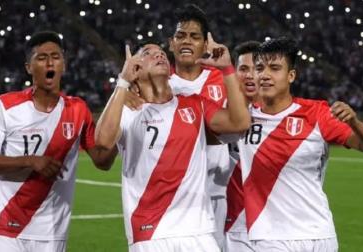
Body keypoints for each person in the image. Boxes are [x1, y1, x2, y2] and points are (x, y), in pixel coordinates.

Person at [94, 37, 250, 251]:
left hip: (198, 231)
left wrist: (227, 70)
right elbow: (102, 142)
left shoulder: (195, 104)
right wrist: (123, 82)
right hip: (150, 233)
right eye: (148, 53)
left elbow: (240, 123)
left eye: (161, 52)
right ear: (135, 69)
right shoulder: (127, 109)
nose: (159, 54)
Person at [0, 31, 116, 252]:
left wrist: (121, 118)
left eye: (56, 56)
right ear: (29, 67)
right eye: (41, 58)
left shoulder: (78, 109)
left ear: (64, 64)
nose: (50, 62)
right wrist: (31, 161)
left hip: (52, 231)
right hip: (7, 226)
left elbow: (102, 160)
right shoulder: (5, 105)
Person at [238, 37, 363, 252]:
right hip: (269, 237)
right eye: (259, 68)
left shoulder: (317, 114)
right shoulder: (242, 119)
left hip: (318, 234)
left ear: (291, 75)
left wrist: (354, 121)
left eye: (275, 68)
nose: (265, 75)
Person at [167, 4, 232, 248]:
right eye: (180, 35)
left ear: (206, 45)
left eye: (195, 37)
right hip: (173, 195)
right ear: (171, 43)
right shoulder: (160, 83)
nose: (187, 41)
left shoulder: (222, 78)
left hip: (216, 192)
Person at [224, 40, 261, 252]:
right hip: (220, 224)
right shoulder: (217, 114)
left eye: (256, 68)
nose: (249, 75)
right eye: (243, 69)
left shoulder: (278, 118)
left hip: (264, 227)